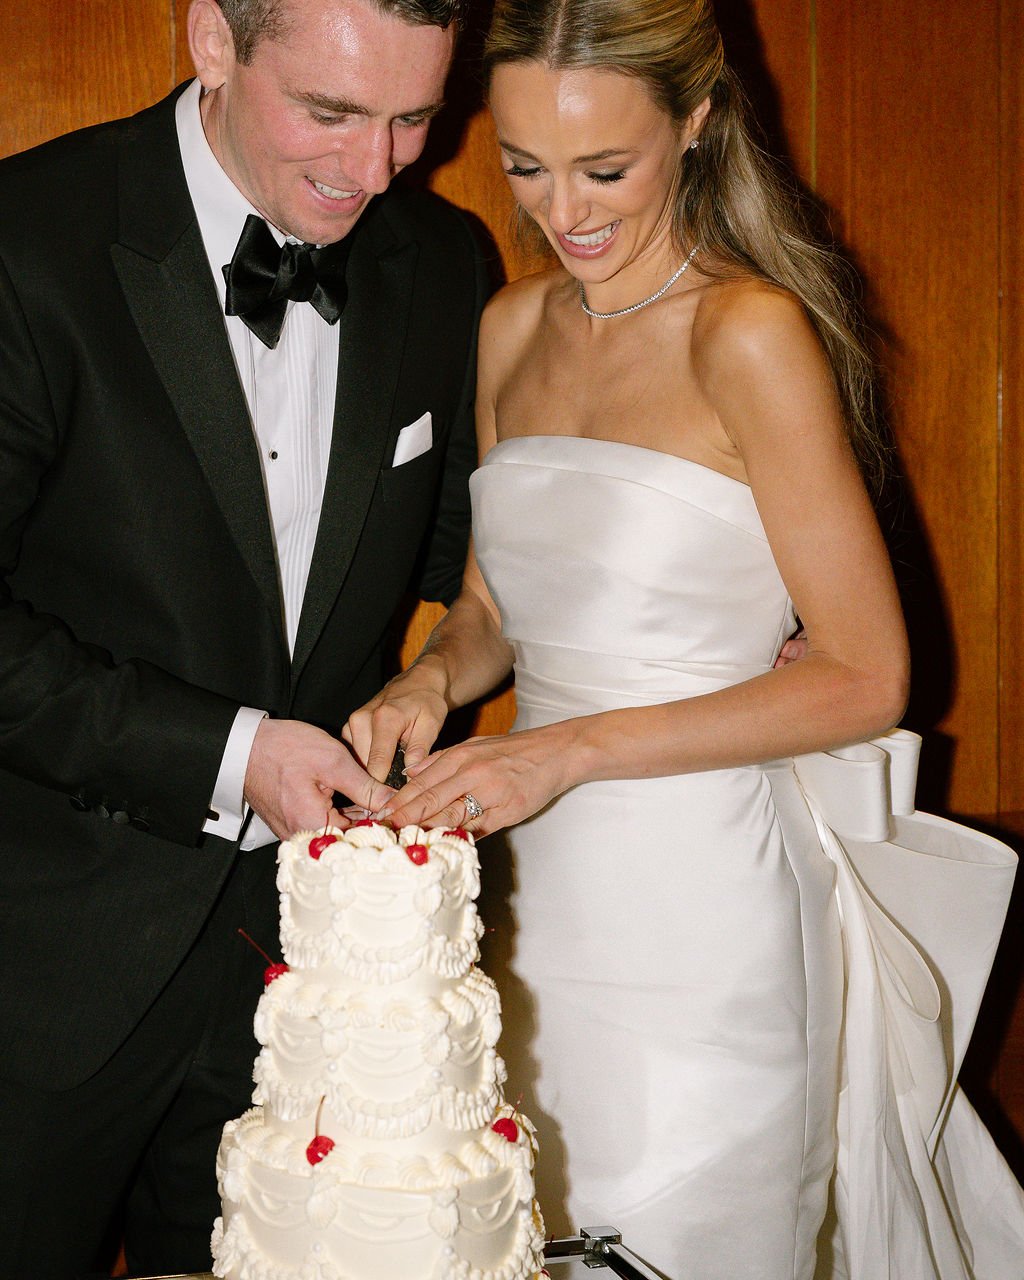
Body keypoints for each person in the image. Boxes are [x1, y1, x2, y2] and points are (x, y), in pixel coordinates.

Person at [344, 0, 1024, 1276]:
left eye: (606, 168)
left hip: (705, 906)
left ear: (697, 122)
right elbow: (494, 611)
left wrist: (562, 754)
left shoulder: (747, 333)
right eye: (528, 171)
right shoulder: (508, 329)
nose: (567, 212)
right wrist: (426, 679)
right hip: (535, 899)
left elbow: (868, 673)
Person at [0, 0, 486, 1274]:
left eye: (415, 118)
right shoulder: (24, 242)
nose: (375, 170)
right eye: (328, 112)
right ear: (212, 39)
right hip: (38, 968)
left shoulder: (445, 263)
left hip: (309, 985)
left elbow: (476, 561)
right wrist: (230, 753)